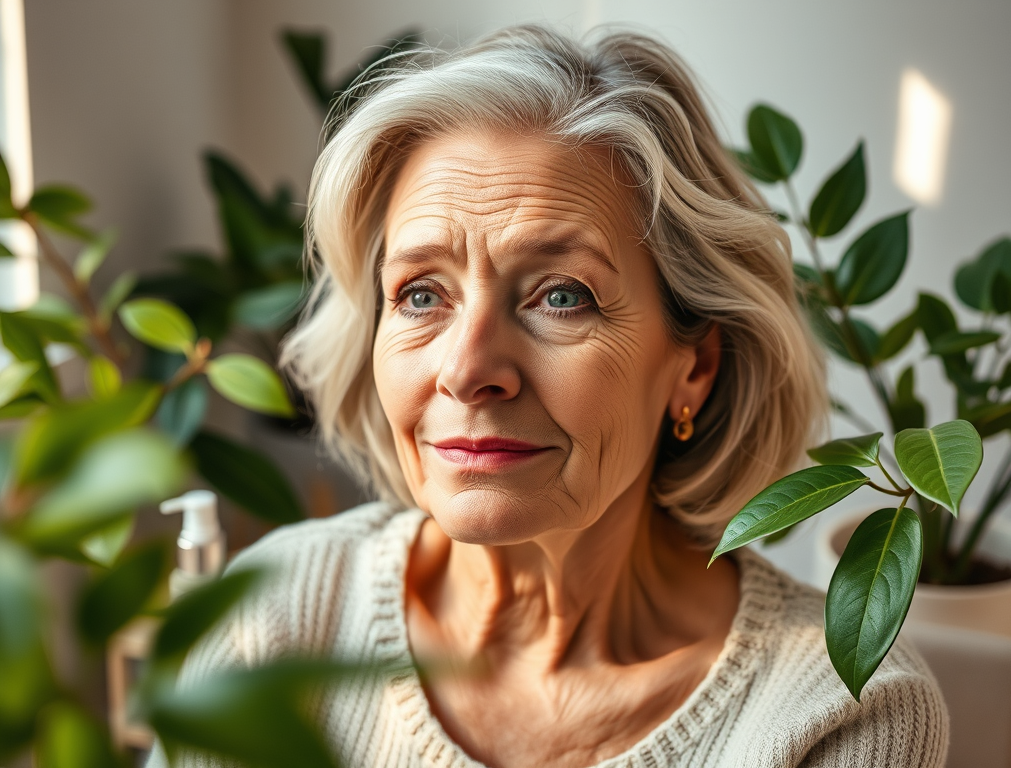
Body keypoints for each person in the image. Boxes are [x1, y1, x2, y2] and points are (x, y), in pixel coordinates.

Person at [149, 24, 948, 768]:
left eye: (561, 296)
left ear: (693, 367)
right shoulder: (268, 623)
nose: (467, 370)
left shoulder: (839, 715)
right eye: (421, 295)